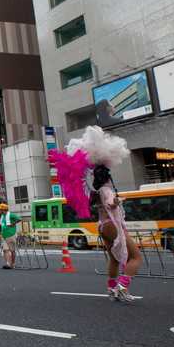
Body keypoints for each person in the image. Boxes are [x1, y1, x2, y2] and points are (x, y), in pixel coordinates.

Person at [49, 126, 142, 301]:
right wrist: (117, 202)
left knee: (114, 259)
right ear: (107, 177)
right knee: (136, 257)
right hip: (111, 224)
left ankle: (111, 288)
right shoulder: (106, 190)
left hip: (102, 226)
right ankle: (123, 286)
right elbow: (110, 204)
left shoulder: (96, 190)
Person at [0, 203, 21, 269]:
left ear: (3, 209)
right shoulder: (3, 216)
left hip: (11, 234)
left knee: (12, 250)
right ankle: (7, 263)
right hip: (4, 235)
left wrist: (13, 223)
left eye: (0, 209)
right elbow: (0, 225)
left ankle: (12, 263)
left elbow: (19, 219)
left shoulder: (10, 215)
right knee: (5, 249)